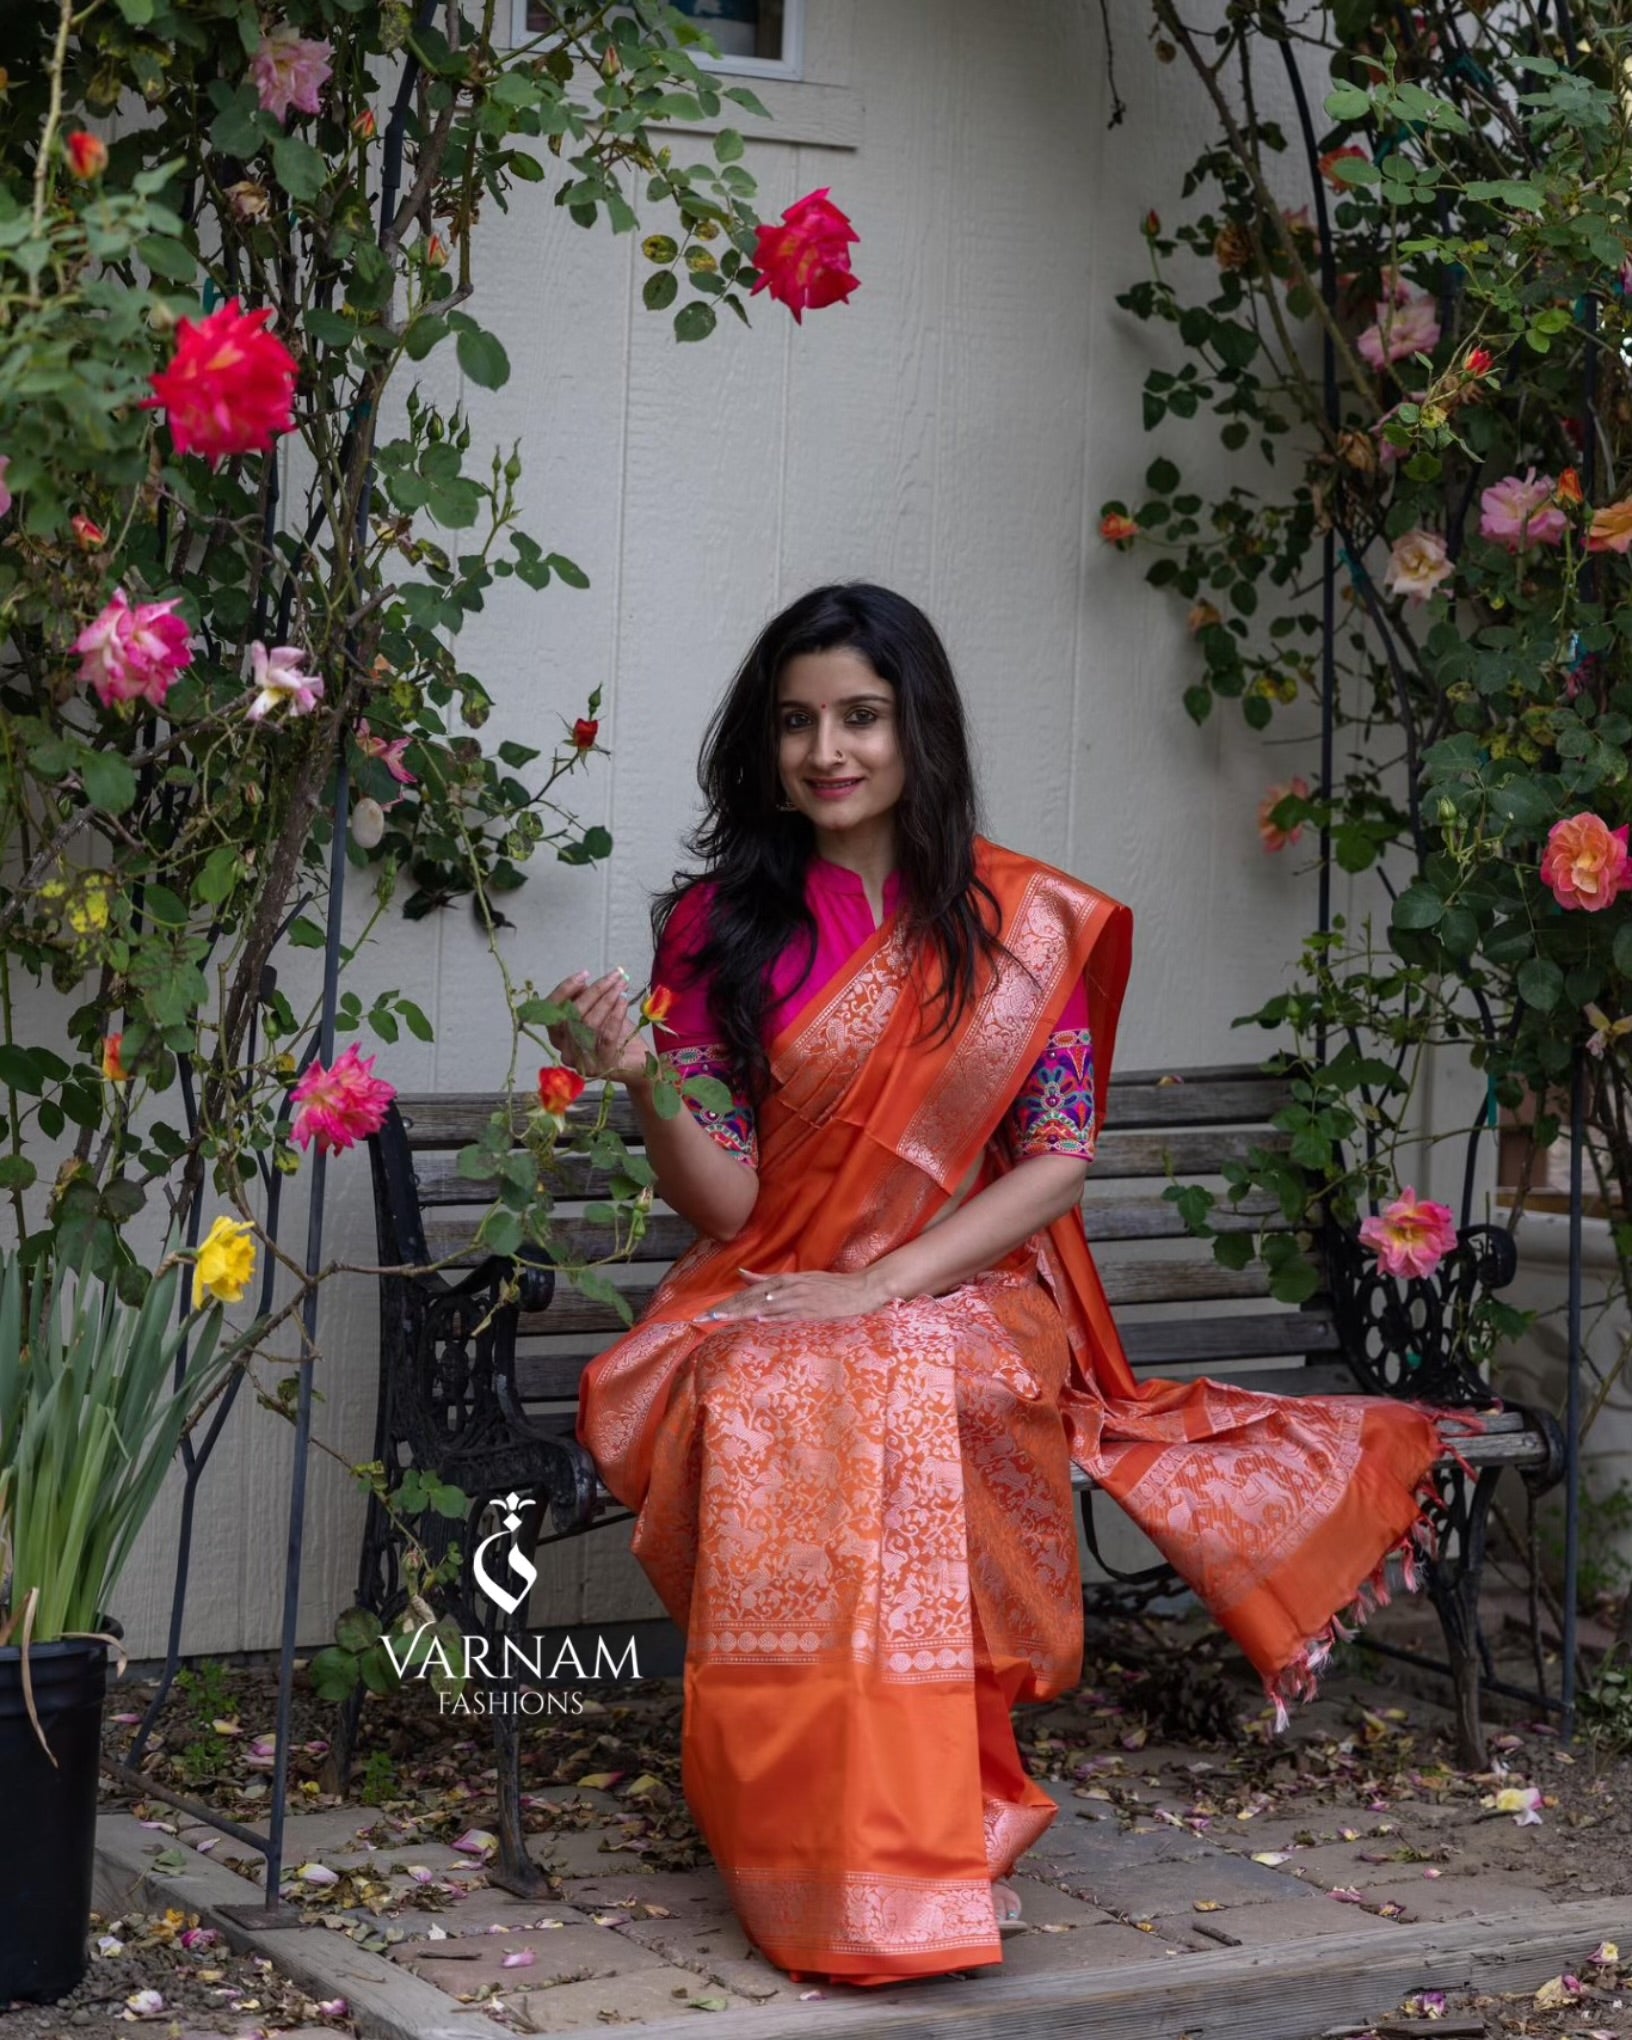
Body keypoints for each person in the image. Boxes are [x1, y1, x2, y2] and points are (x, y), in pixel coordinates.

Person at [546, 583, 1460, 1989]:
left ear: (921, 729)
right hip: (774, 1278)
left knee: (915, 1381)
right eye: (797, 723)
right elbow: (726, 1203)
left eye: (861, 715)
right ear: (764, 745)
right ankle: (813, 1841)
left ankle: (946, 1821)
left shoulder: (1015, 921)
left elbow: (1056, 1162)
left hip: (966, 1284)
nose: (827, 750)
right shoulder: (719, 929)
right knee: (791, 1386)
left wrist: (888, 1285)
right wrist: (645, 1079)